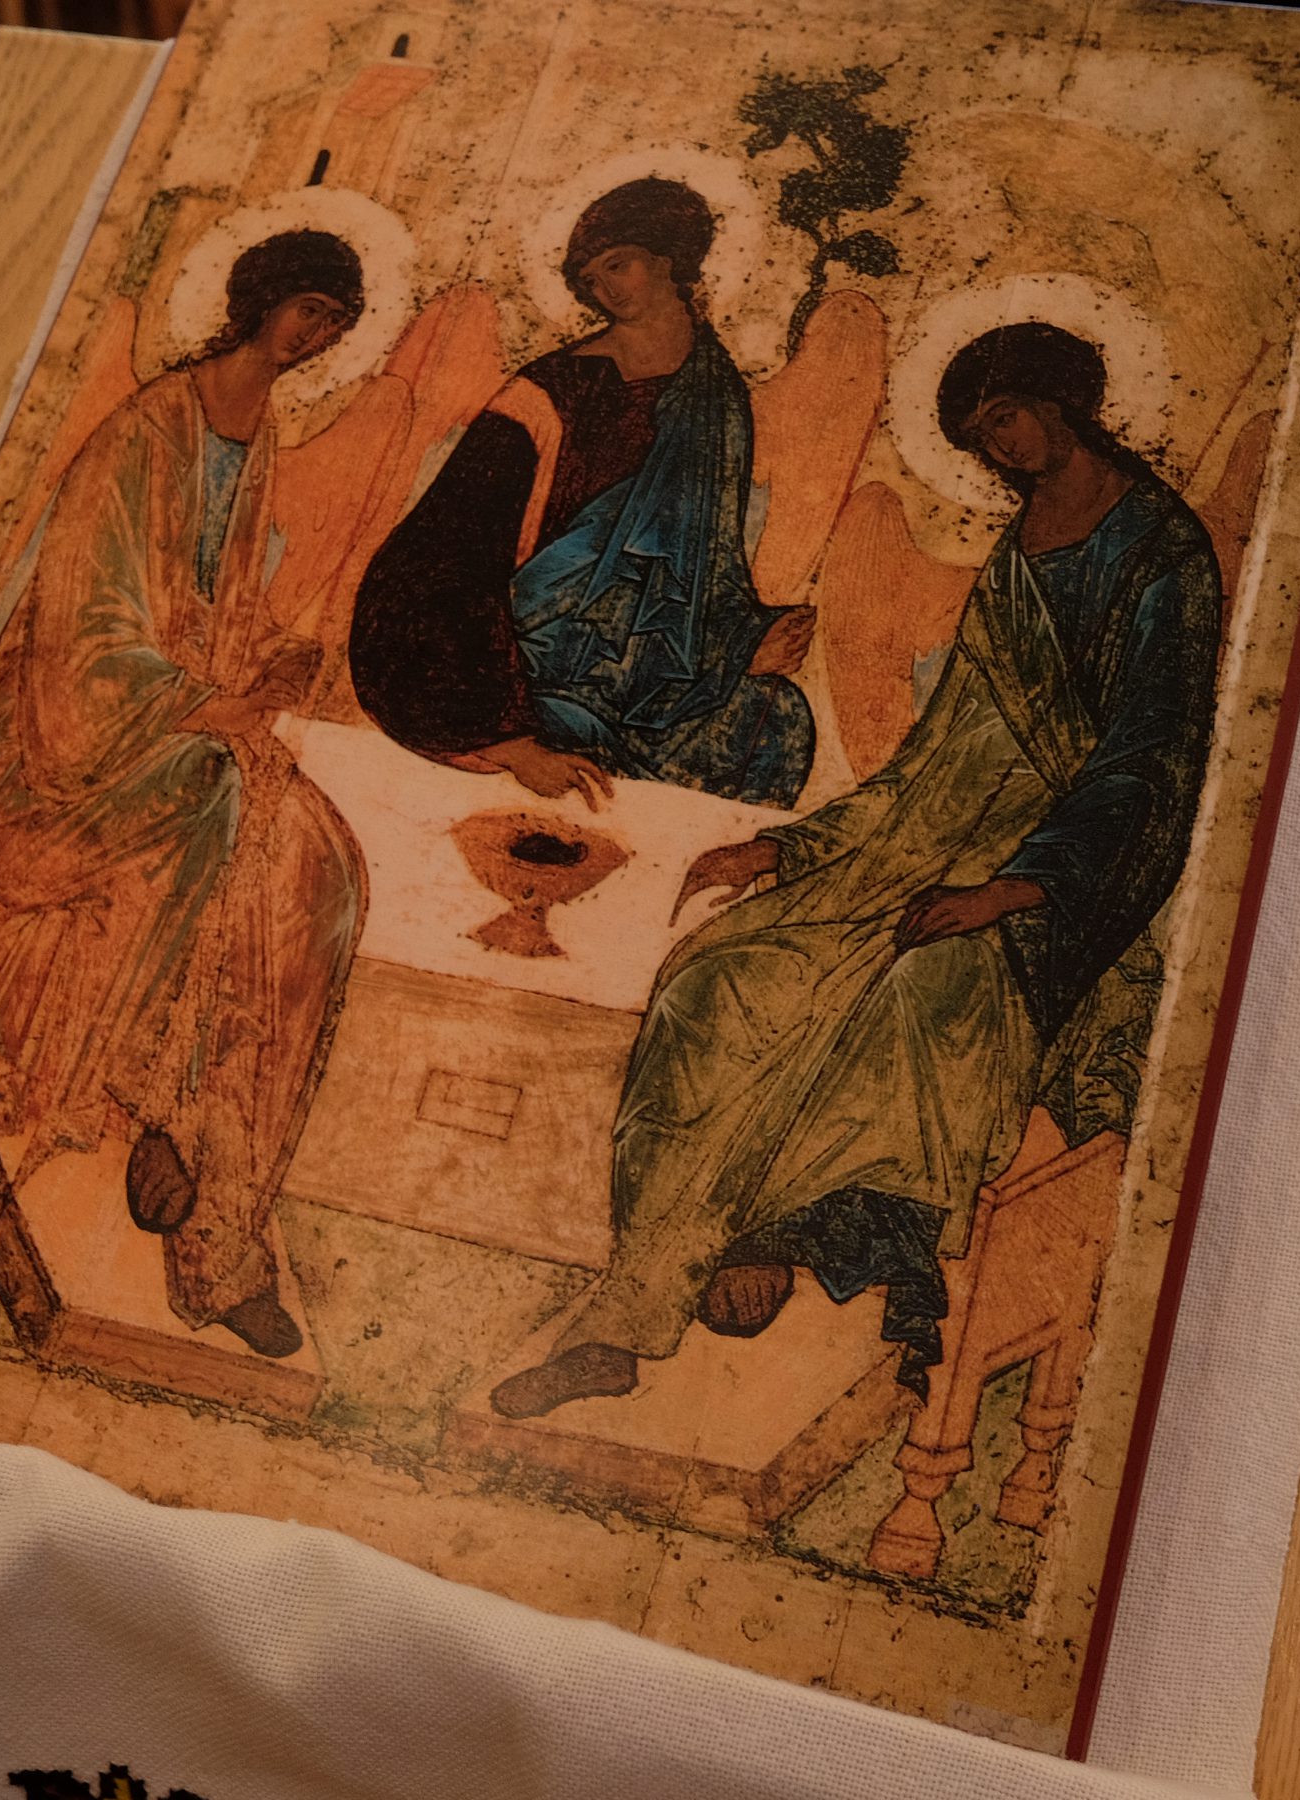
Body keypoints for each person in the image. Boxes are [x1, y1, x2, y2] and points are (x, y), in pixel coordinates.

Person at [491, 323, 1223, 1418]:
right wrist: (791, 846)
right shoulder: (1019, 552)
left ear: (1060, 399)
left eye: (1007, 417)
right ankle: (641, 1301)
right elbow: (939, 754)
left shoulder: (1162, 550)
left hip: (1068, 878)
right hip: (927, 837)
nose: (1003, 447)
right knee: (716, 977)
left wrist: (1007, 890)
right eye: (981, 436)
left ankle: (734, 1256)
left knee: (914, 992)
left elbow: (1152, 761)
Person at [0, 231, 369, 1360]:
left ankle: (223, 1224)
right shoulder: (146, 431)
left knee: (320, 870)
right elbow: (81, 644)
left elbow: (212, 609)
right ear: (261, 300)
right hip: (57, 764)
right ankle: (159, 1107)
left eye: (334, 322)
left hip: (177, 734)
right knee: (218, 806)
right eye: (308, 309)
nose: (314, 336)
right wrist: (207, 702)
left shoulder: (257, 435)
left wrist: (271, 658)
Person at [349, 178, 816, 808]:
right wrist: (510, 740)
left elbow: (704, 566)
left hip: (649, 665)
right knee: (584, 733)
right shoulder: (549, 393)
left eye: (618, 265)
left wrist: (747, 641)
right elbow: (447, 552)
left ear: (667, 258)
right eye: (591, 280)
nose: (607, 290)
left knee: (774, 721)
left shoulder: (716, 395)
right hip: (537, 661)